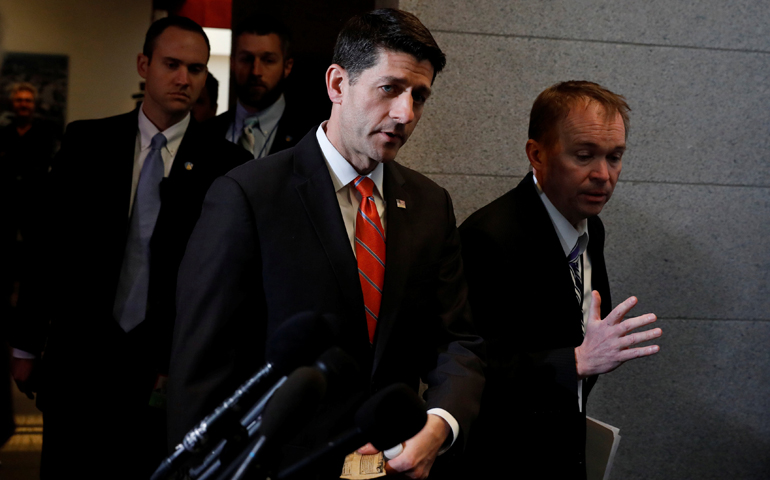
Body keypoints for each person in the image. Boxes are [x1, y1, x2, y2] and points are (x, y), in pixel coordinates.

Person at [168, 8, 485, 480]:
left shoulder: (429, 205)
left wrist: (439, 425)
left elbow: (456, 340)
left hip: (391, 469)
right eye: (390, 89)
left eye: (419, 96)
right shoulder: (247, 196)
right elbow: (202, 373)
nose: (406, 113)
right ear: (337, 85)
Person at [9, 16, 250, 478]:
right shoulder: (87, 142)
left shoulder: (228, 164)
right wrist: (24, 344)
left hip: (162, 370)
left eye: (196, 69)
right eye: (172, 64)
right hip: (81, 358)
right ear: (144, 65)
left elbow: (225, 280)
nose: (184, 79)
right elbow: (48, 247)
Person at [459, 81, 662, 479]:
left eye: (615, 157)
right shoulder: (489, 236)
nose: (603, 175)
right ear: (537, 154)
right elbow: (469, 371)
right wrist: (577, 361)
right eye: (584, 156)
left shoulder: (592, 229)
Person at [206, 13, 324, 158]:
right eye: (246, 59)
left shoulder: (313, 137)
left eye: (268, 60)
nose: (256, 71)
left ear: (287, 66)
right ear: (233, 63)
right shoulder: (206, 133)